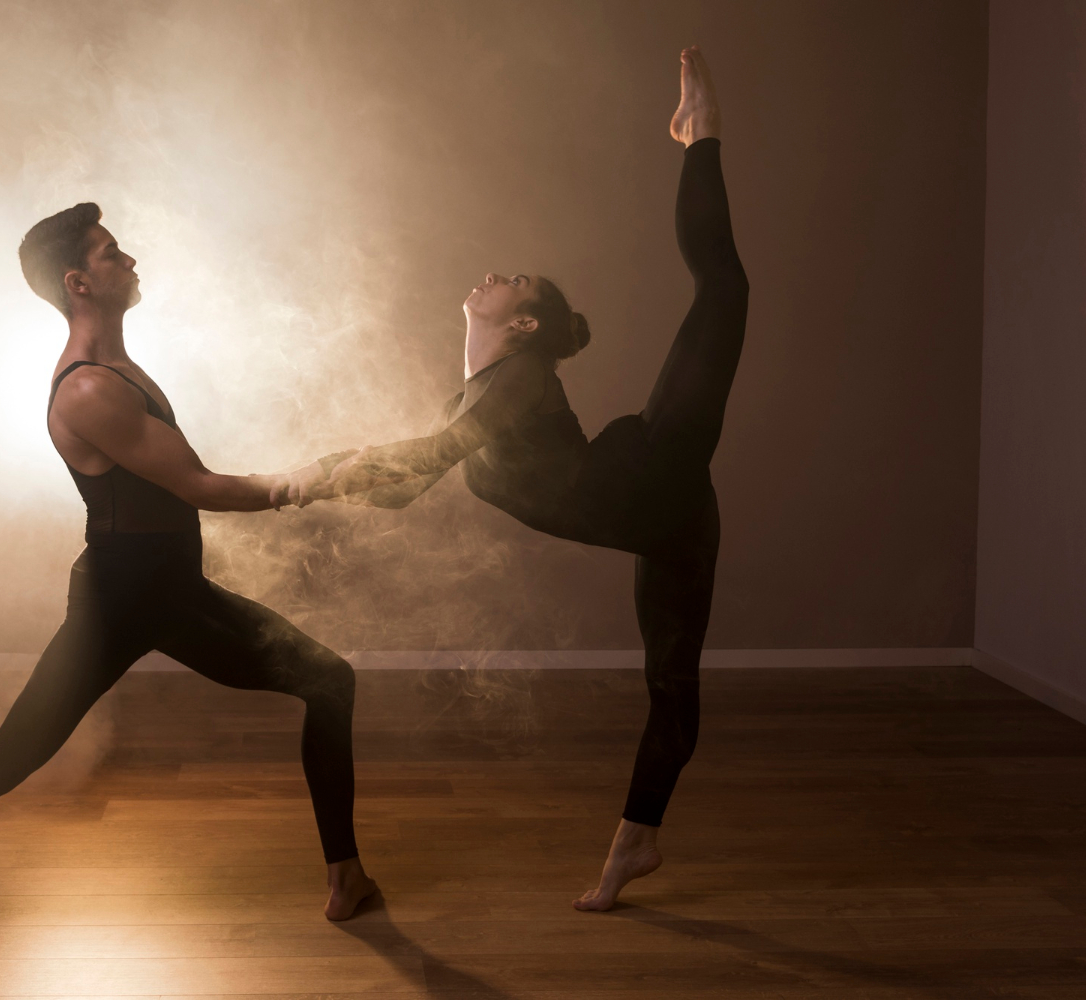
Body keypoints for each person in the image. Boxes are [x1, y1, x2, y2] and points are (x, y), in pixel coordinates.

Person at [0, 205, 377, 962]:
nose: (130, 259)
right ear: (80, 282)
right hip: (119, 604)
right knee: (4, 762)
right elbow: (199, 486)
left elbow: (179, 486)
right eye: (112, 253)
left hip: (175, 592)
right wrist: (308, 482)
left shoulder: (122, 368)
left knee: (329, 681)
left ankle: (346, 876)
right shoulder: (87, 391)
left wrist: (316, 476)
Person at [282, 47, 745, 912]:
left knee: (722, 286)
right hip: (669, 520)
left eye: (514, 280)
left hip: (656, 463)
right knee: (672, 691)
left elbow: (421, 462)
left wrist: (314, 475)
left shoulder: (522, 379)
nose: (494, 275)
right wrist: (309, 489)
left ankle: (701, 136)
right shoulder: (478, 396)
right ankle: (634, 848)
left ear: (524, 321)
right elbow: (405, 481)